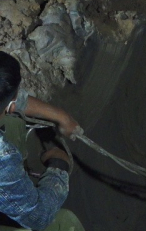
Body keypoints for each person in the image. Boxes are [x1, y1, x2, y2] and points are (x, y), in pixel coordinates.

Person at [0, 51, 85, 231]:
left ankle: (15, 184)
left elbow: (11, 99)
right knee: (65, 223)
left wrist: (62, 116)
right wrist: (58, 168)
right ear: (10, 104)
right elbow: (39, 216)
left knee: (12, 123)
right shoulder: (2, 158)